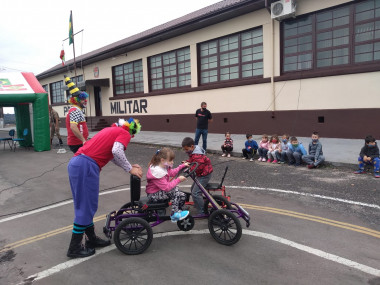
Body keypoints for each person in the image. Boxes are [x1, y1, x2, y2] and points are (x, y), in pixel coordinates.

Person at [66, 118, 143, 258]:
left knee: (86, 205)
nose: (131, 138)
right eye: (133, 135)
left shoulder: (110, 130)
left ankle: (91, 239)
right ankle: (74, 247)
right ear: (131, 131)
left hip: (78, 163)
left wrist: (129, 166)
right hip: (86, 166)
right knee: (85, 206)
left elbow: (112, 155)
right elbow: (117, 151)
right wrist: (130, 169)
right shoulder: (124, 133)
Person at [146, 148, 190, 222]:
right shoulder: (157, 171)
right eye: (170, 160)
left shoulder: (163, 166)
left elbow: (172, 173)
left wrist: (182, 166)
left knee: (182, 195)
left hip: (159, 191)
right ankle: (174, 214)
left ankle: (180, 210)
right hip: (153, 194)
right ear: (163, 160)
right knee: (175, 190)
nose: (172, 162)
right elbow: (167, 188)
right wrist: (178, 179)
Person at [182, 137, 213, 214]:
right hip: (202, 174)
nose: (185, 151)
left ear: (192, 146)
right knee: (193, 189)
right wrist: (187, 162)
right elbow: (193, 161)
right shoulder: (194, 152)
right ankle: (199, 204)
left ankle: (202, 211)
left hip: (204, 175)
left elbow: (198, 167)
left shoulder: (197, 155)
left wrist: (189, 168)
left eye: (186, 149)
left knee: (195, 193)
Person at [64, 75, 89, 153]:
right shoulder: (75, 110)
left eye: (85, 99)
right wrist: (83, 140)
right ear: (75, 100)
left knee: (83, 162)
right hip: (77, 143)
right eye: (82, 99)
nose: (85, 101)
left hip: (79, 143)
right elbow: (73, 127)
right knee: (83, 162)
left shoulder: (77, 109)